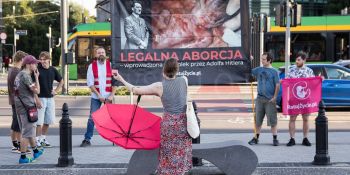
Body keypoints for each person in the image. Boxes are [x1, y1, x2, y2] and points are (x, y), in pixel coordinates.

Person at [114, 58, 192, 174]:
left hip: (169, 125)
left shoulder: (159, 86)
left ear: (163, 69)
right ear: (177, 70)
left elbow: (135, 90)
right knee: (181, 153)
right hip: (183, 124)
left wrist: (121, 79)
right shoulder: (184, 80)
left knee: (167, 154)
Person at [80, 47, 117, 147]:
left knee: (113, 118)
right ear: (96, 55)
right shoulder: (91, 66)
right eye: (99, 52)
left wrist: (112, 95)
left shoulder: (111, 65)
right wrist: (99, 95)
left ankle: (116, 138)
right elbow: (90, 84)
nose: (101, 54)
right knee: (92, 118)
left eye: (102, 52)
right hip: (96, 97)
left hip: (109, 96)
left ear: (105, 54)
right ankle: (87, 139)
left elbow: (115, 82)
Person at [14, 55, 44, 163]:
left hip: (21, 106)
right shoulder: (26, 76)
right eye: (34, 63)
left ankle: (35, 151)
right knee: (26, 133)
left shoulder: (19, 75)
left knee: (29, 130)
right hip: (26, 107)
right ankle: (23, 158)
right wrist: (36, 78)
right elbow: (37, 91)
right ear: (28, 64)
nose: (36, 65)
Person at [248, 53, 280, 146]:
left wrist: (274, 97)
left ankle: (275, 138)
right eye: (262, 59)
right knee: (258, 120)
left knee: (272, 120)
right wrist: (249, 60)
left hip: (270, 100)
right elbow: (248, 71)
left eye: (264, 59)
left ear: (269, 60)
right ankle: (256, 138)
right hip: (260, 98)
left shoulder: (274, 71)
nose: (262, 61)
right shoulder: (259, 69)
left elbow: (277, 85)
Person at [35, 51, 63, 148]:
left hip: (50, 99)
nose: (42, 61)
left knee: (48, 121)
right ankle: (37, 140)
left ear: (49, 60)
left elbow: (61, 80)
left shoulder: (53, 70)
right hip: (40, 98)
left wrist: (56, 90)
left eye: (44, 59)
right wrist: (36, 99)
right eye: (41, 60)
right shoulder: (37, 70)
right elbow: (33, 86)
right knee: (39, 122)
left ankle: (43, 139)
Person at [286, 52, 314, 147]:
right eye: (296, 60)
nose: (296, 61)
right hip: (294, 98)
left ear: (304, 60)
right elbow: (287, 82)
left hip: (306, 99)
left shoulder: (309, 71)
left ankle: (305, 138)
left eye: (299, 60)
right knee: (292, 118)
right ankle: (292, 139)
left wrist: (320, 79)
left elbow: (314, 83)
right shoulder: (291, 70)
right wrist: (283, 82)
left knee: (306, 118)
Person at [7, 51, 27, 153]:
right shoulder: (16, 72)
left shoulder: (12, 70)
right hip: (17, 101)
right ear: (22, 59)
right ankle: (18, 146)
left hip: (13, 99)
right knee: (18, 124)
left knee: (14, 123)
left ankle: (14, 145)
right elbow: (19, 88)